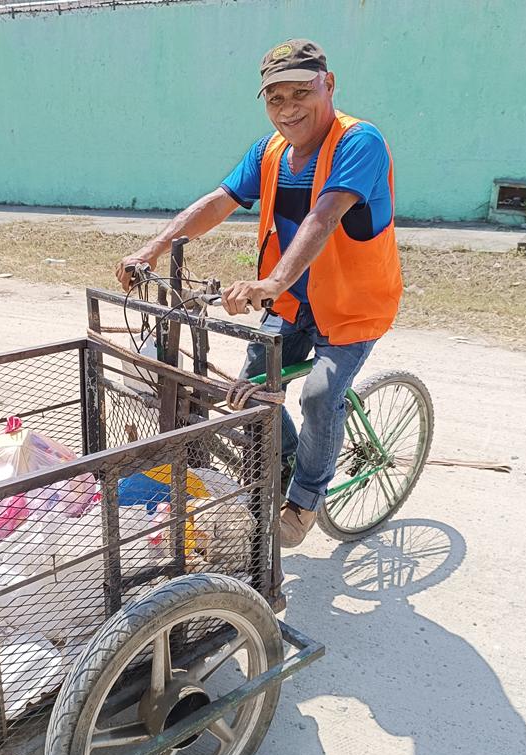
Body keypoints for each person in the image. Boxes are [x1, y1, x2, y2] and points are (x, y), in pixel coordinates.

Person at [117, 39, 403, 548]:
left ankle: (305, 500)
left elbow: (325, 216)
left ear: (328, 85)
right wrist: (154, 249)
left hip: (352, 305)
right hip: (293, 302)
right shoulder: (269, 152)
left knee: (319, 396)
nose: (289, 109)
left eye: (301, 92)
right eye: (276, 98)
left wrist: (271, 282)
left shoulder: (359, 142)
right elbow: (220, 200)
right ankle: (293, 457)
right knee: (251, 392)